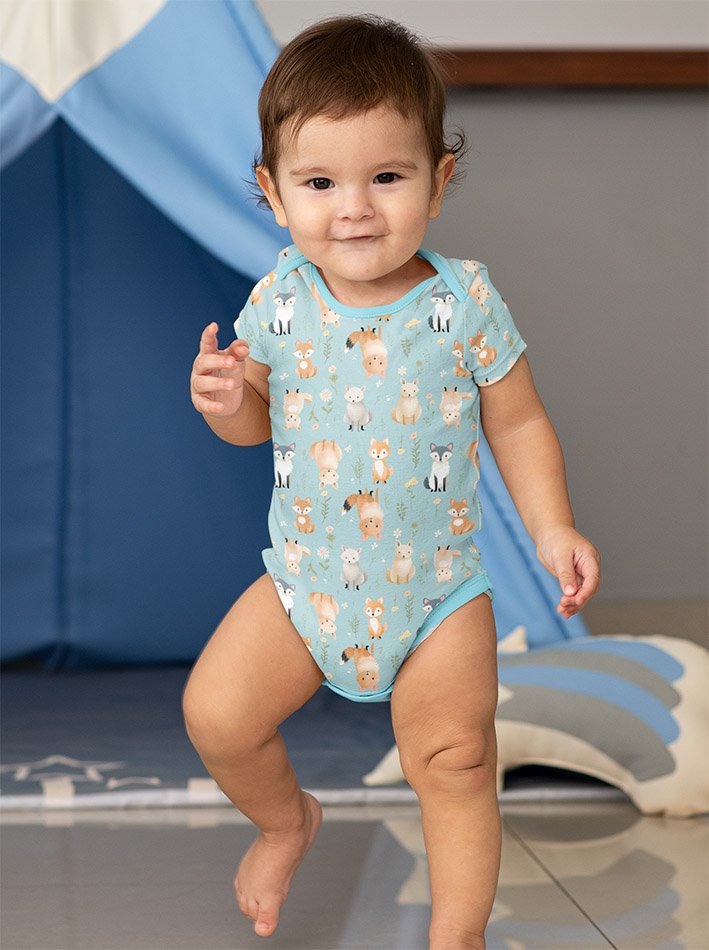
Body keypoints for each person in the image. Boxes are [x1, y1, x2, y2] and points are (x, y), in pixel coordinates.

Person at [183, 13, 601, 949]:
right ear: (272, 193)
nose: (355, 209)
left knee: (454, 762)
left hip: (436, 592)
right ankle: (285, 823)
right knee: (216, 715)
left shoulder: (463, 301)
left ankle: (457, 936)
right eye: (319, 183)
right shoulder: (279, 300)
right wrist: (226, 401)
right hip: (304, 581)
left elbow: (518, 420)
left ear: (438, 183)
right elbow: (256, 424)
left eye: (387, 177)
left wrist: (552, 528)